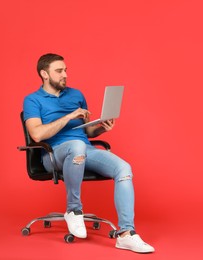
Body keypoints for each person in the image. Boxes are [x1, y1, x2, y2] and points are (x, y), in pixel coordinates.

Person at [23, 53, 155, 253]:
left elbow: (87, 131)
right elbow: (37, 134)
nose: (65, 74)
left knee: (124, 168)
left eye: (66, 70)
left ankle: (126, 234)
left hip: (85, 149)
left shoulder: (76, 95)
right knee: (76, 145)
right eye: (59, 71)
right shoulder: (33, 100)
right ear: (44, 74)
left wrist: (102, 127)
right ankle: (73, 209)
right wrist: (69, 117)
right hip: (53, 155)